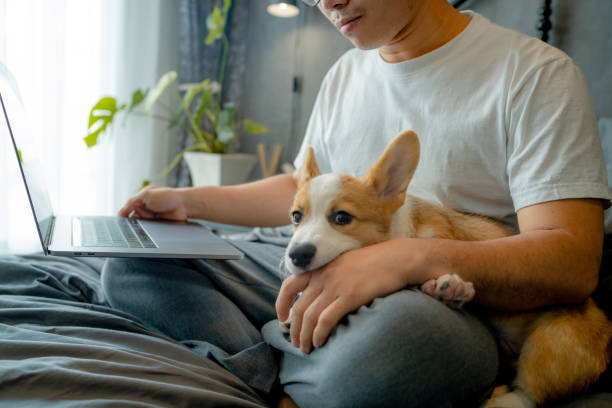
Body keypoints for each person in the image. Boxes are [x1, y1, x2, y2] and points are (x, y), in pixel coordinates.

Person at [101, 0, 612, 406]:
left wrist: (406, 258)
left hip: (451, 306)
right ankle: (278, 371)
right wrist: (188, 201)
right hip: (320, 263)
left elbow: (571, 262)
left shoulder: (536, 74)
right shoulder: (347, 71)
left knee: (395, 353)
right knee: (135, 266)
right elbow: (301, 190)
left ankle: (276, 354)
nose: (328, 2)